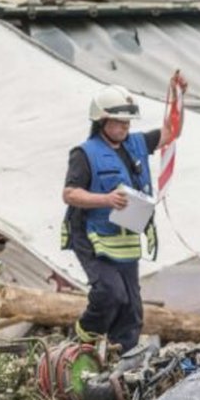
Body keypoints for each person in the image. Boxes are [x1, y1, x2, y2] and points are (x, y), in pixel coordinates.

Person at [61, 76, 187, 352]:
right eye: (118, 123)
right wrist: (105, 199)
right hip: (91, 235)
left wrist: (179, 98)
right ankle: (81, 342)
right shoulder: (84, 154)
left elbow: (171, 132)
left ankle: (122, 357)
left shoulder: (136, 144)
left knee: (131, 308)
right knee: (109, 293)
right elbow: (70, 194)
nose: (123, 128)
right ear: (101, 121)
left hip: (125, 238)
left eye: (127, 123)